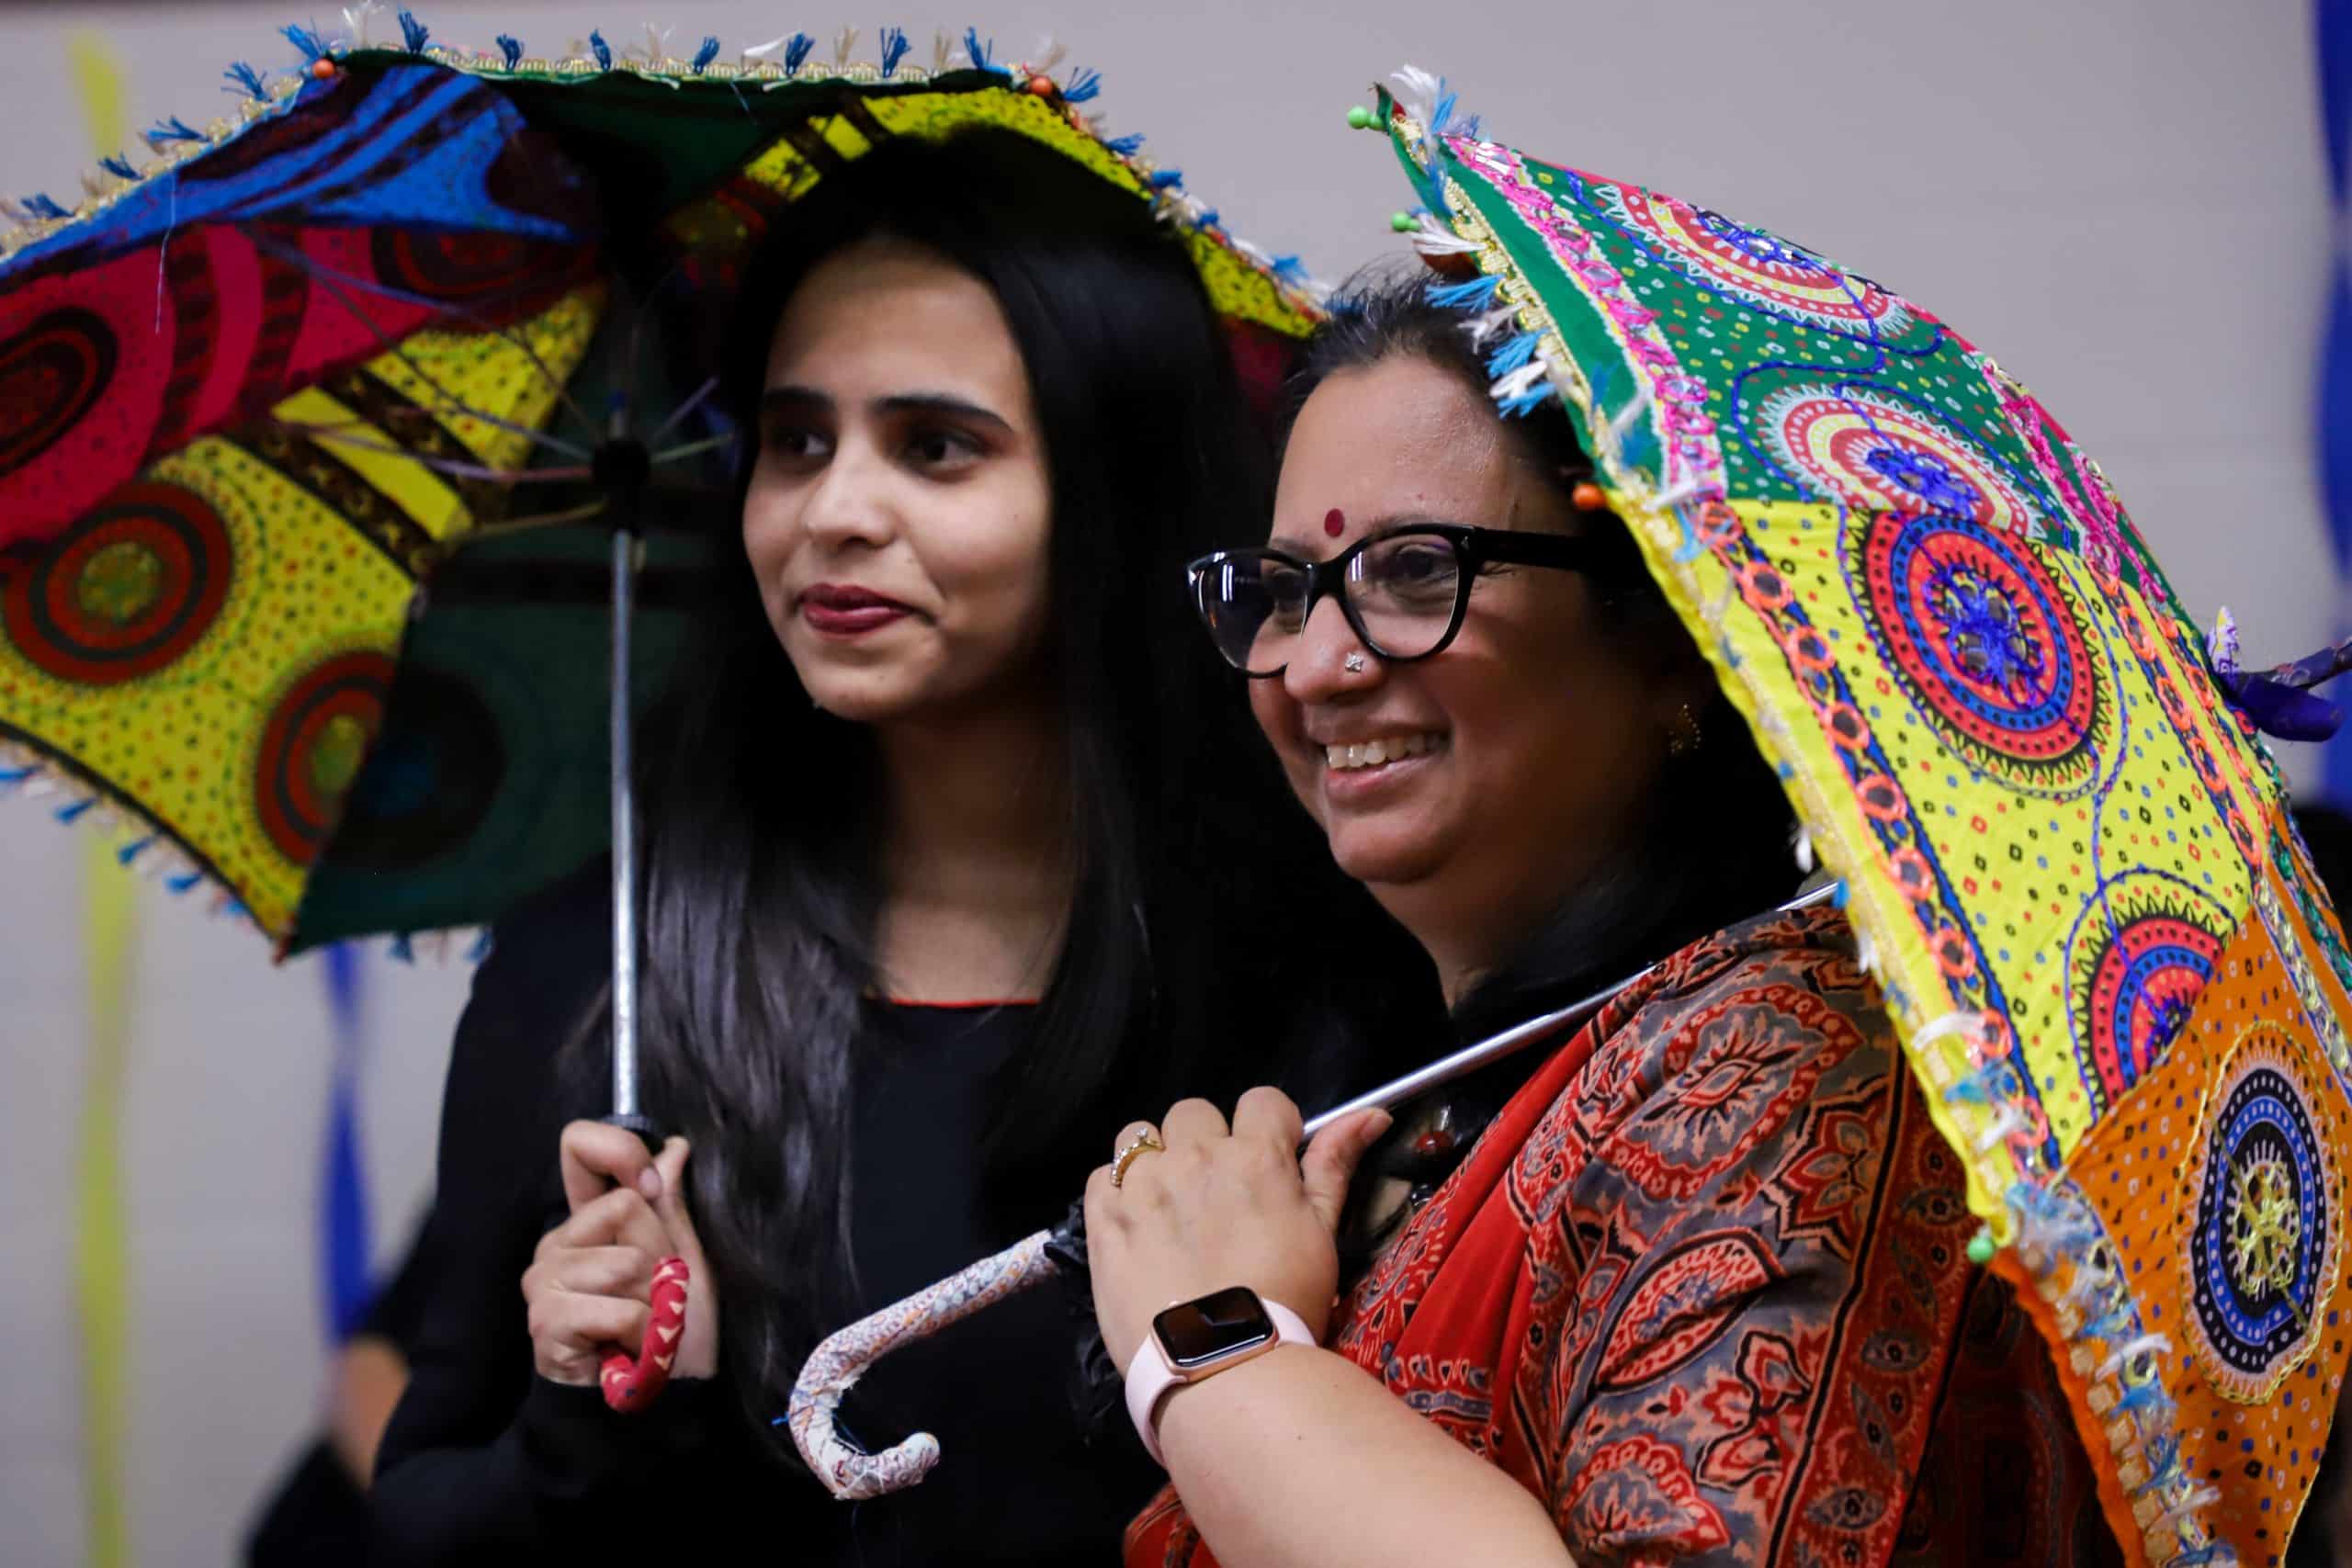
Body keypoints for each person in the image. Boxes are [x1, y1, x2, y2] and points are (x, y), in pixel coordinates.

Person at [368, 131, 1430, 1565]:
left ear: (1111, 495)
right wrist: (589, 1411)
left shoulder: (1342, 970)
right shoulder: (601, 978)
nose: (831, 513)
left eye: (935, 447)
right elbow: (420, 1520)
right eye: (795, 441)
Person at [1085, 272, 2121, 1567]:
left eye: (1414, 571)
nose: (1316, 666)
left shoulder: (1783, 1071)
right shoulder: (1440, 1085)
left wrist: (1216, 1348)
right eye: (1285, 589)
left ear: (1671, 637)